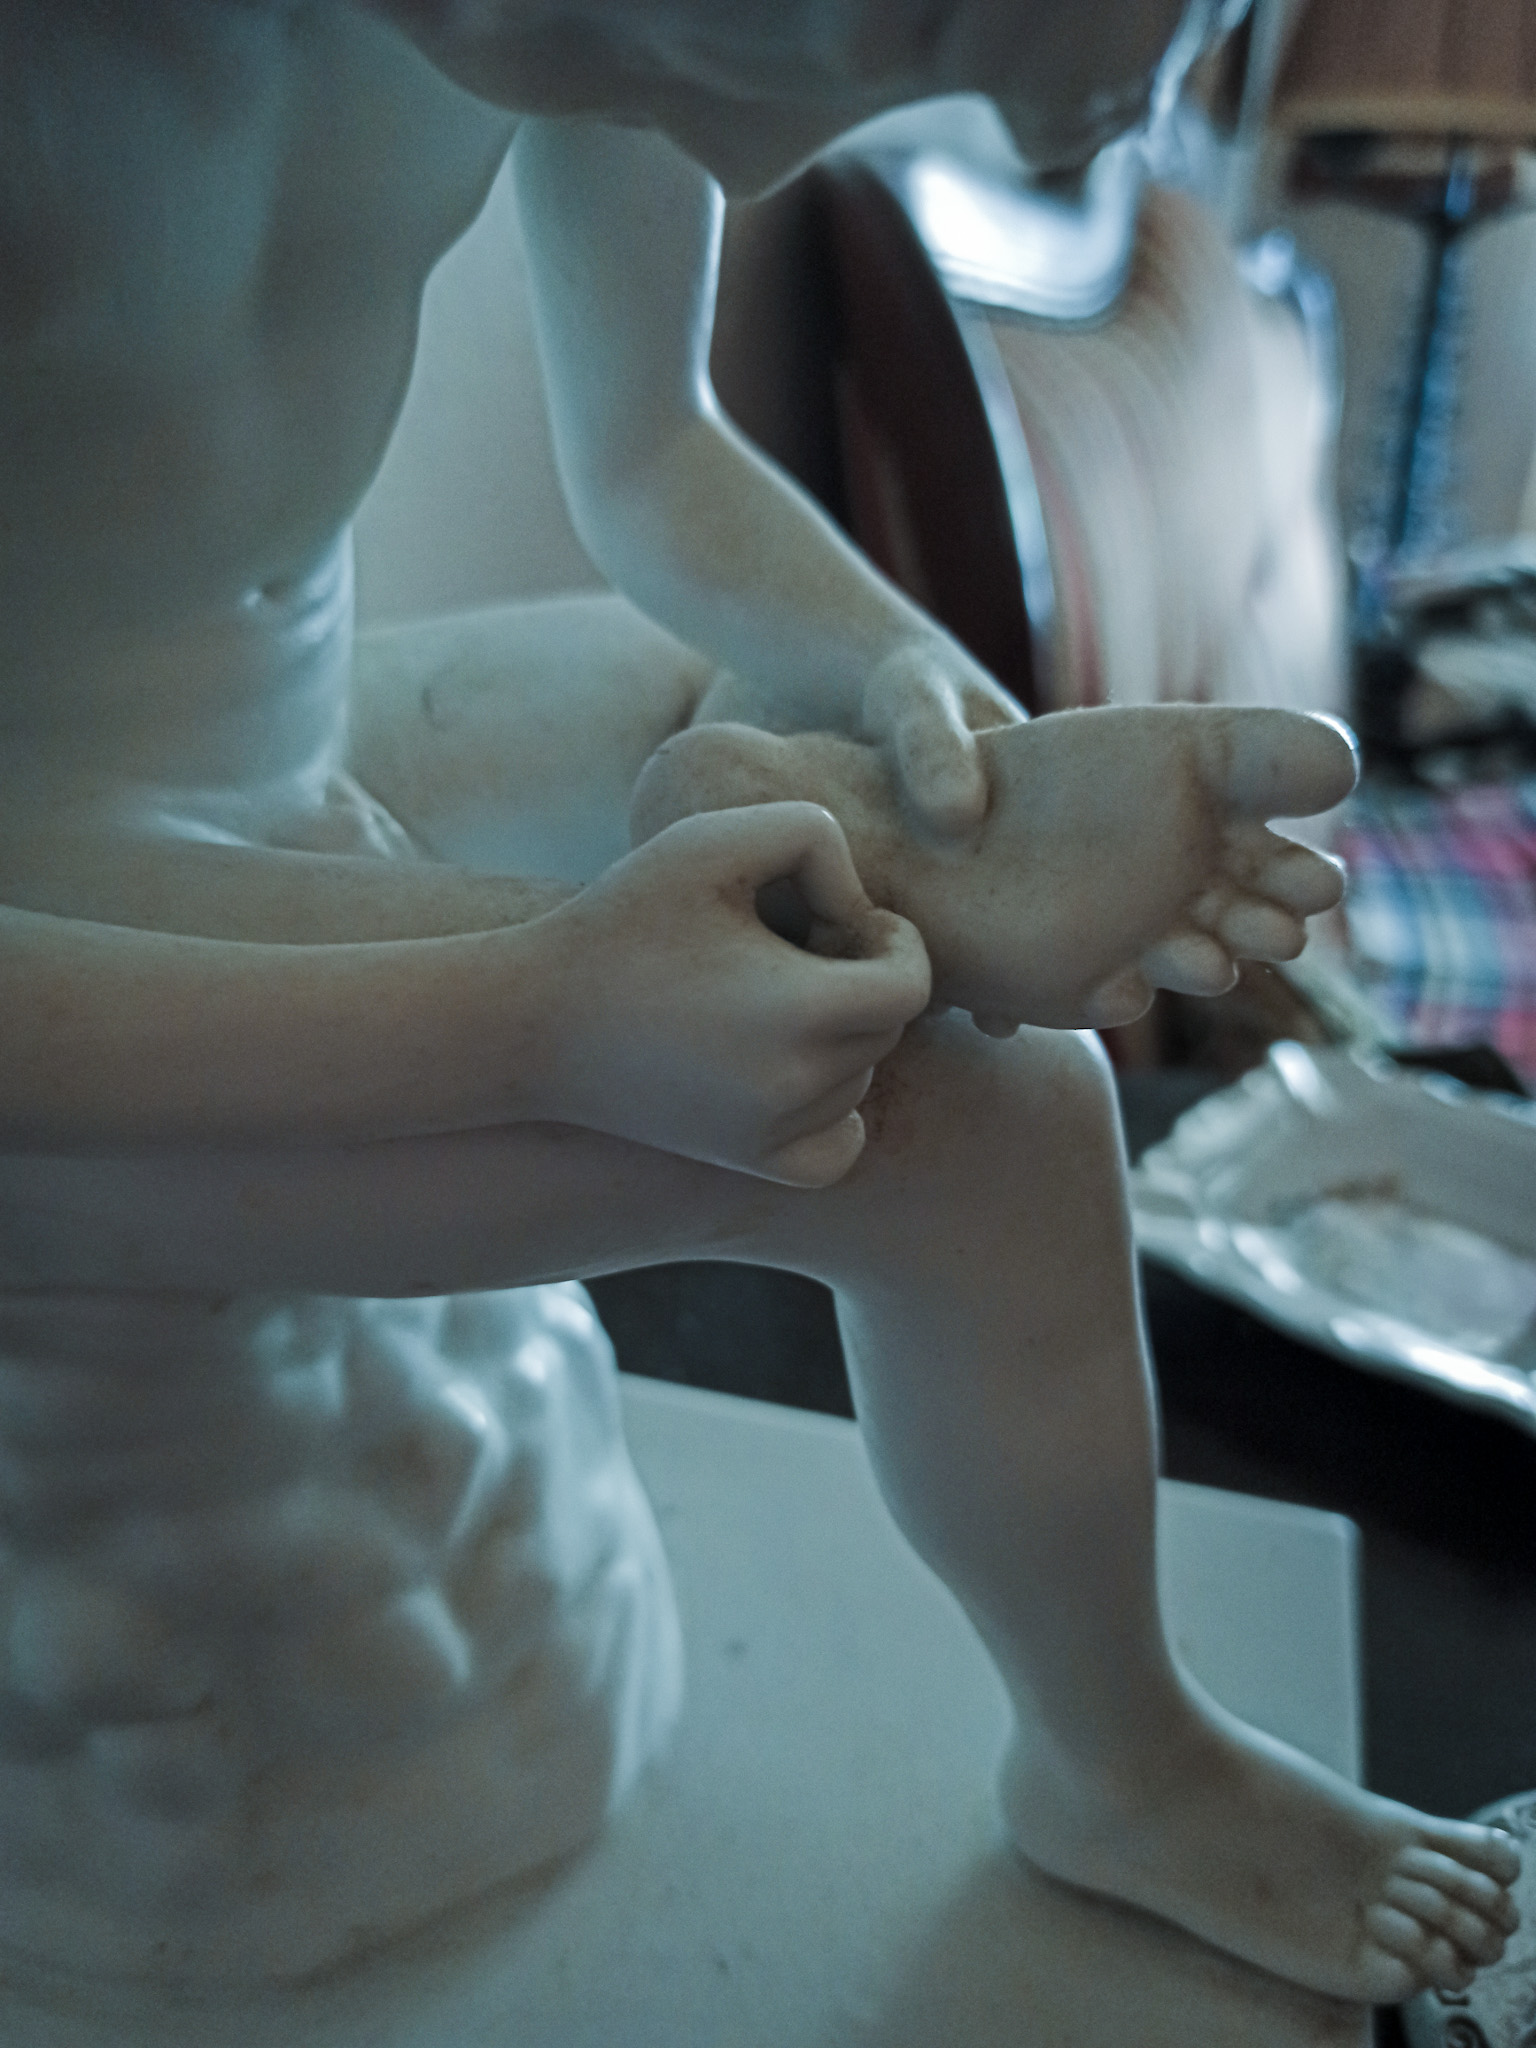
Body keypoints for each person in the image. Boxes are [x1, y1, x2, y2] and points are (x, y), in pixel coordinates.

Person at [0, 0, 1517, 2000]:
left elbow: (653, 453)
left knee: (799, 758)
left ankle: (867, 839)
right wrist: (530, 1012)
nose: (743, 170)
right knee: (983, 1124)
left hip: (288, 734)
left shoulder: (573, 18)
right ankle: (1122, 1763)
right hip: (59, 930)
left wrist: (932, 714)